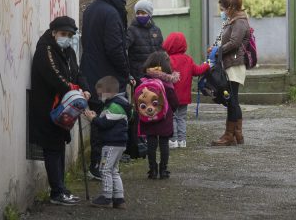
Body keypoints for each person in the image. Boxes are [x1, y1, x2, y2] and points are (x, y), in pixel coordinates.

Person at [29, 16, 91, 206]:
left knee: (59, 145)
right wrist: (74, 90)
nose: (67, 37)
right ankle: (56, 192)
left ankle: (61, 188)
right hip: (48, 107)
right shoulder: (45, 49)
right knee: (52, 147)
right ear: (54, 33)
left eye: (70, 34)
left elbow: (77, 72)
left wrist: (85, 88)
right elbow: (54, 76)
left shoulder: (68, 51)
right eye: (64, 34)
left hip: (64, 108)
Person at [81, 0, 131, 180]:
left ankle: (96, 163)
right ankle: (105, 165)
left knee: (97, 120)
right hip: (108, 77)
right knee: (109, 119)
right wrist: (126, 71)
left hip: (91, 73)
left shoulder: (90, 10)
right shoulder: (111, 13)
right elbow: (114, 48)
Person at [83, 76, 131, 209]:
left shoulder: (114, 106)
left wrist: (93, 119)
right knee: (114, 171)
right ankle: (119, 198)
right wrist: (96, 117)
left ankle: (106, 197)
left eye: (100, 93)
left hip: (111, 144)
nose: (98, 97)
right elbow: (107, 120)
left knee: (104, 169)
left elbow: (104, 124)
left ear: (108, 92)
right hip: (119, 144)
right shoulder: (119, 104)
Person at [210, 0, 249, 146]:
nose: (222, 12)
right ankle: (235, 135)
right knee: (232, 100)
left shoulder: (239, 22)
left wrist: (218, 51)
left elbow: (234, 43)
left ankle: (230, 135)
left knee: (232, 100)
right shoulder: (233, 21)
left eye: (223, 9)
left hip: (235, 64)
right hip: (232, 64)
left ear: (230, 7)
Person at [163, 32, 209, 148]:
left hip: (171, 96)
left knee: (172, 117)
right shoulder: (188, 59)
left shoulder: (167, 60)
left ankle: (173, 140)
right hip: (184, 96)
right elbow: (198, 71)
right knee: (181, 118)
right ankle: (182, 141)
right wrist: (207, 65)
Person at [138, 51, 179, 179]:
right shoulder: (167, 82)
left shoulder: (143, 81)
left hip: (148, 117)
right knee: (164, 143)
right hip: (164, 118)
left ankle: (152, 170)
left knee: (151, 143)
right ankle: (163, 169)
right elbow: (174, 102)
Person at [126, 0, 164, 80]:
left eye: (143, 13)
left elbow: (161, 51)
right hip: (138, 75)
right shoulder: (132, 30)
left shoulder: (156, 30)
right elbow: (124, 48)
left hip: (155, 73)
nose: (140, 15)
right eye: (138, 13)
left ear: (149, 14)